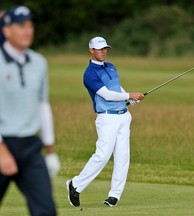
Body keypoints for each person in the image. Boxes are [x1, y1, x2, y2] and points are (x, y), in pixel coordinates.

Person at [0, 5, 60, 216]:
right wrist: (1, 151)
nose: (27, 30)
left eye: (30, 25)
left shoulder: (39, 63)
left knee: (46, 210)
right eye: (21, 25)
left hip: (30, 147)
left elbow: (42, 105)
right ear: (6, 30)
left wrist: (49, 150)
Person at [66, 36, 144, 207]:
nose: (103, 51)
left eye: (105, 48)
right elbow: (106, 95)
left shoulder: (110, 66)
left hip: (124, 116)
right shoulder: (90, 74)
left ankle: (114, 195)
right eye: (100, 49)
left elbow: (117, 88)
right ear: (91, 50)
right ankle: (75, 185)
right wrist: (129, 95)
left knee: (123, 157)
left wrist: (129, 100)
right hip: (107, 118)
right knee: (102, 155)